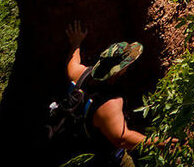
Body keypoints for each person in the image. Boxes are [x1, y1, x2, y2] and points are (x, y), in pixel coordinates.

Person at [63, 22, 178, 165]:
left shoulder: (80, 73)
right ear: (118, 71)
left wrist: (76, 43)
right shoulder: (109, 103)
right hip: (104, 158)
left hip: (74, 146)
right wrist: (159, 143)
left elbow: (72, 62)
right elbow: (123, 139)